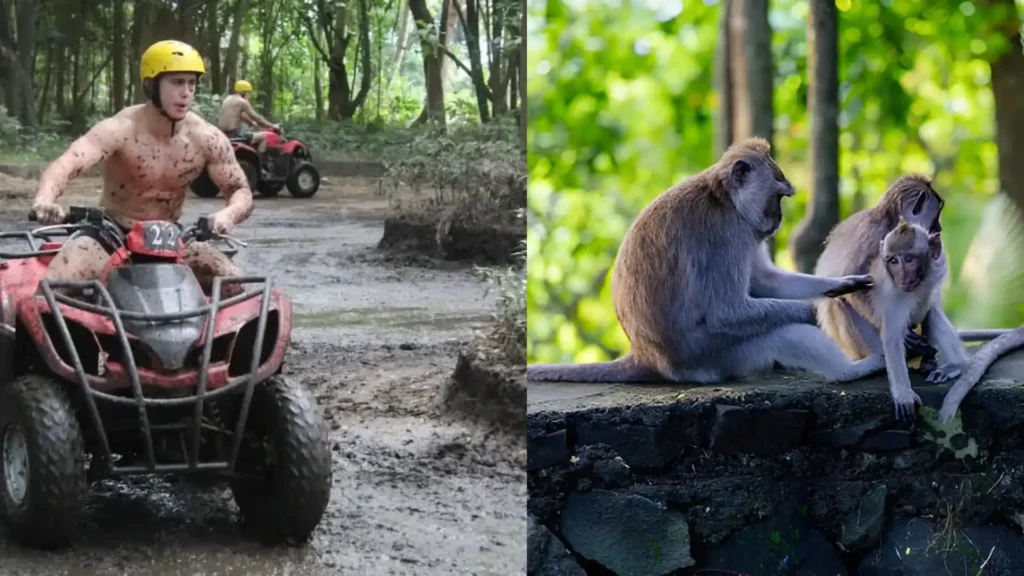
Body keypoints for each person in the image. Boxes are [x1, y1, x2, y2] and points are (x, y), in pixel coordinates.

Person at [30, 39, 254, 298]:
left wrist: (226, 217)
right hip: (110, 234)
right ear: (151, 84)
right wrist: (45, 200)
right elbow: (67, 163)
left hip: (171, 238)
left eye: (191, 83)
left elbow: (241, 190)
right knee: (49, 292)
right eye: (177, 82)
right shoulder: (121, 128)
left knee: (238, 287)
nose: (186, 92)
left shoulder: (207, 138)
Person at [217, 80, 279, 154]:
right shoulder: (242, 102)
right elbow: (256, 117)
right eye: (248, 93)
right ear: (243, 92)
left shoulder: (228, 99)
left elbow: (241, 115)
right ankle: (261, 162)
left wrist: (251, 123)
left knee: (249, 134)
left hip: (222, 133)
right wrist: (273, 126)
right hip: (233, 135)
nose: (249, 95)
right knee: (264, 136)